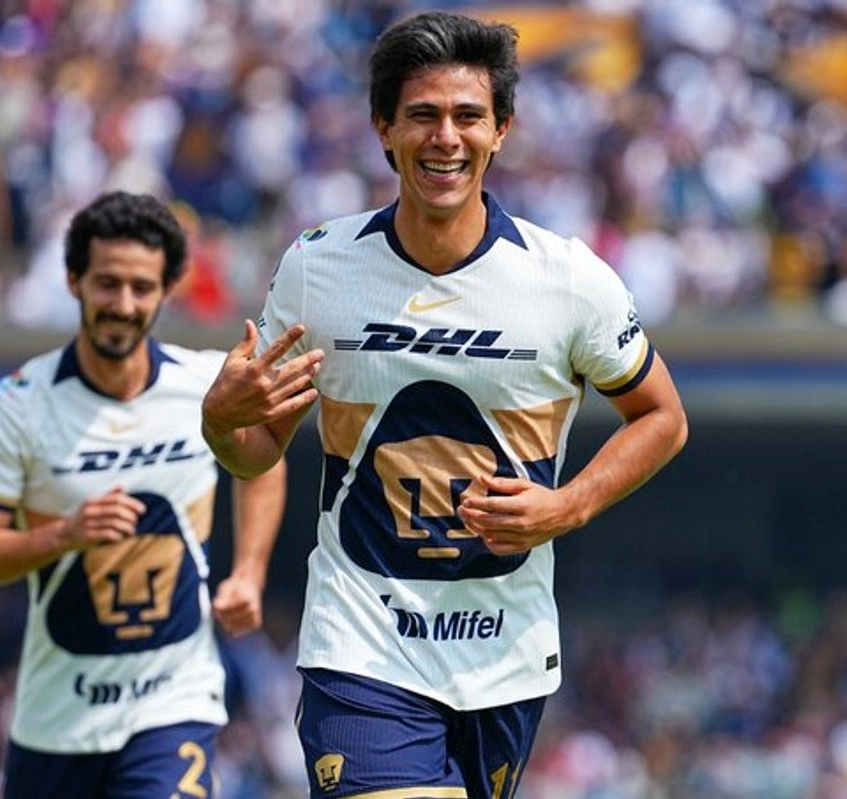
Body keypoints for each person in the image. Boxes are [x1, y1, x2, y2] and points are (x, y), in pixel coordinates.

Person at [200, 10, 689, 799]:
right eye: (422, 115)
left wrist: (568, 505)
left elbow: (664, 417)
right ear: (382, 128)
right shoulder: (317, 269)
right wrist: (222, 419)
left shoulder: (567, 279)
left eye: (468, 117)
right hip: (359, 646)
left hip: (505, 655)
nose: (445, 138)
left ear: (503, 130)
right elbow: (258, 449)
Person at [0, 190, 288, 798]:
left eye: (141, 287)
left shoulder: (205, 386)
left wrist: (250, 572)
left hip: (173, 705)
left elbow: (264, 462)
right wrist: (63, 534)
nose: (123, 304)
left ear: (166, 288)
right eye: (106, 284)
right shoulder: (18, 406)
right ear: (74, 280)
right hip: (56, 723)